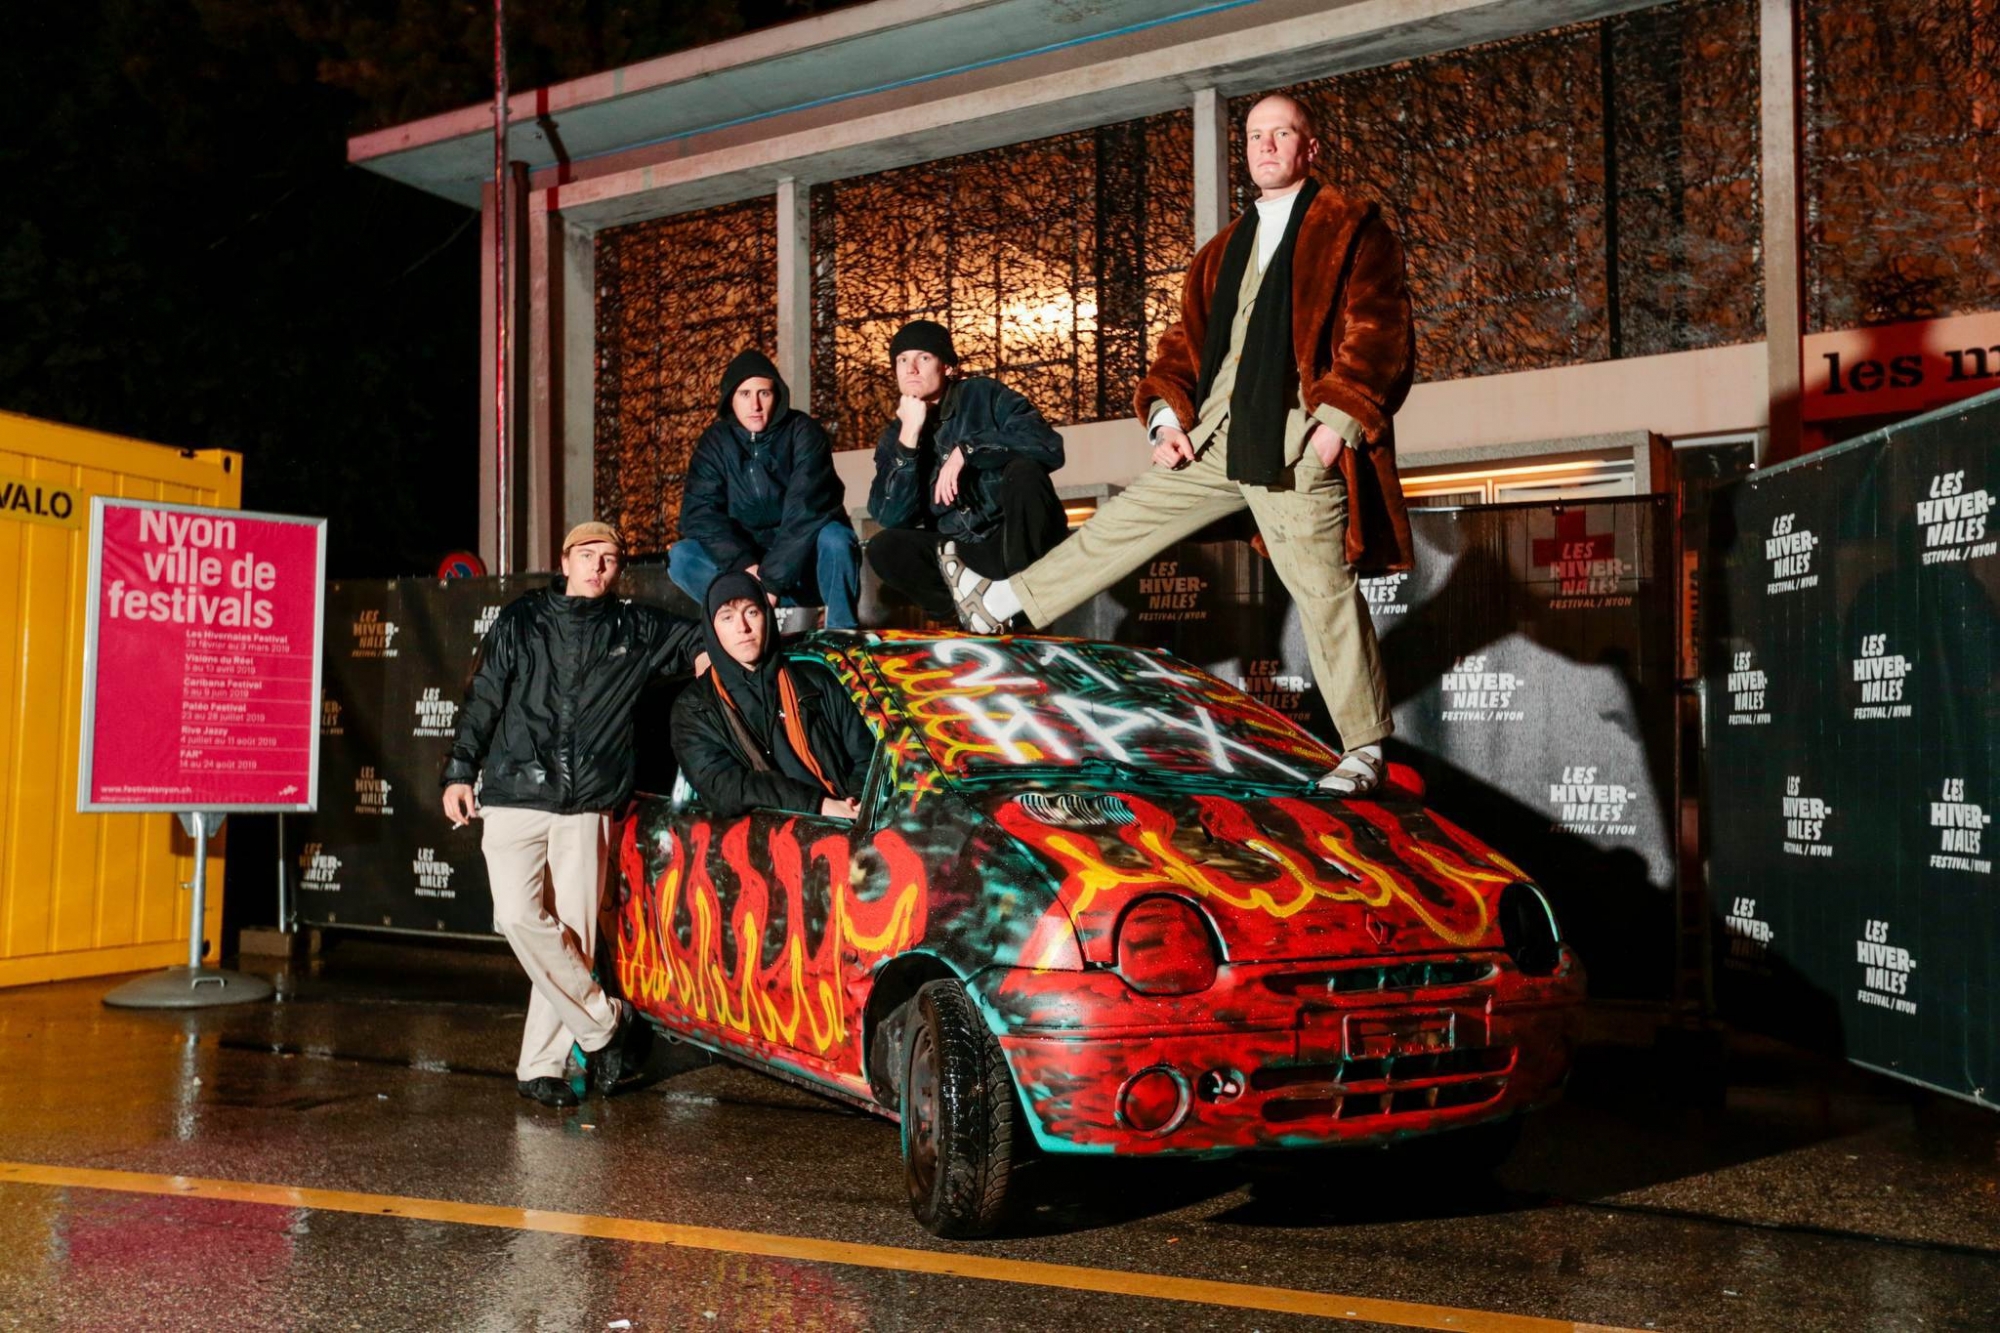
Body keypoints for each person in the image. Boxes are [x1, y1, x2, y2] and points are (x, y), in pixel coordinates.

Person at [942, 94, 1414, 796]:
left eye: (1282, 133)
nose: (1267, 145)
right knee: (1124, 521)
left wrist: (1332, 430)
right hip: (1213, 437)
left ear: (1309, 149)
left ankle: (1365, 748)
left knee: (1323, 592)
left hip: (1288, 446)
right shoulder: (1222, 251)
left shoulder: (1352, 229)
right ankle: (1004, 601)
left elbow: (1378, 334)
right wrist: (1166, 420)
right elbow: (1179, 350)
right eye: (1256, 135)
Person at [442, 521, 705, 1108]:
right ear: (565, 561)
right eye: (587, 555)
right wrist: (459, 771)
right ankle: (607, 1024)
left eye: (610, 559)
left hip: (587, 805)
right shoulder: (524, 618)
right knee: (517, 916)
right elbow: (485, 693)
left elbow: (700, 641)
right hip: (515, 794)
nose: (598, 567)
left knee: (576, 938)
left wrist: (713, 651)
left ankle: (543, 1065)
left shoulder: (636, 626)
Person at [865, 319, 1067, 622]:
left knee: (1025, 471)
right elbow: (890, 516)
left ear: (947, 366)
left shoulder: (982, 395)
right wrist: (908, 440)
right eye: (902, 360)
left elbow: (1047, 445)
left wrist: (968, 451)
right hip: (962, 554)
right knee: (883, 547)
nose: (911, 369)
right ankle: (968, 617)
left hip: (1014, 540)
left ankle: (1020, 600)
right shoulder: (896, 436)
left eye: (923, 357)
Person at [670, 350, 861, 629]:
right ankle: (738, 619)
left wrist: (771, 580)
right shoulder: (715, 442)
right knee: (682, 557)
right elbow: (700, 513)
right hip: (748, 566)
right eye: (745, 394)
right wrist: (746, 566)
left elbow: (806, 509)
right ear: (730, 399)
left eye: (764, 393)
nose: (755, 405)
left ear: (777, 396)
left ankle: (841, 632)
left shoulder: (803, 431)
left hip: (803, 565)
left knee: (835, 538)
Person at [671, 570, 874, 821]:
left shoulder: (815, 681)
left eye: (752, 612)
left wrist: (854, 801)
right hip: (766, 844)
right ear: (712, 629)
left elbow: (865, 756)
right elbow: (723, 787)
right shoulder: (695, 707)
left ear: (767, 616)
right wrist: (818, 804)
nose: (742, 628)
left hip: (841, 827)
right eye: (727, 617)